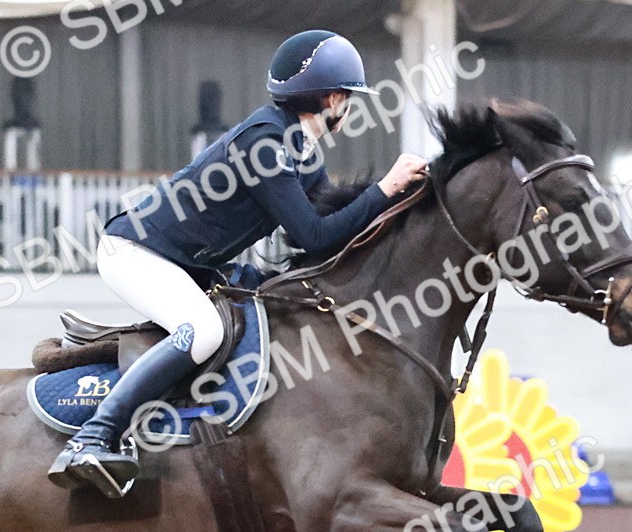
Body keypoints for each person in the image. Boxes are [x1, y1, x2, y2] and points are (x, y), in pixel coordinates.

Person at [48, 29, 429, 496]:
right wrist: (384, 188)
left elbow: (321, 240)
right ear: (332, 98)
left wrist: (400, 205)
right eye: (348, 98)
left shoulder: (301, 154)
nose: (348, 108)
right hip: (135, 252)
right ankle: (93, 437)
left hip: (186, 262)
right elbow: (312, 233)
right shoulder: (265, 142)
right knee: (204, 330)